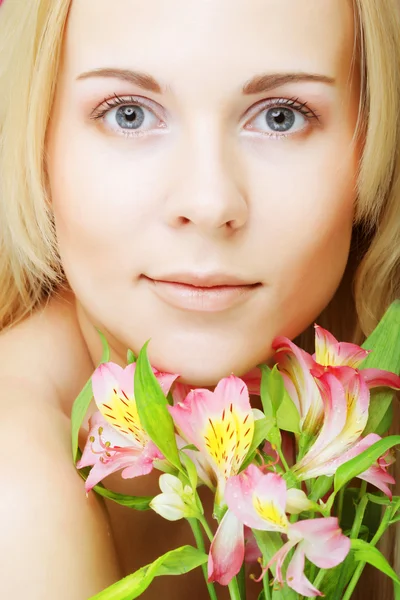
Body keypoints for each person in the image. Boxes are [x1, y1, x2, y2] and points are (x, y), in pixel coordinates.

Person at [0, 1, 399, 599]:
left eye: (282, 116)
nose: (210, 203)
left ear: (375, 140)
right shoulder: (15, 489)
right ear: (38, 138)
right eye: (129, 114)